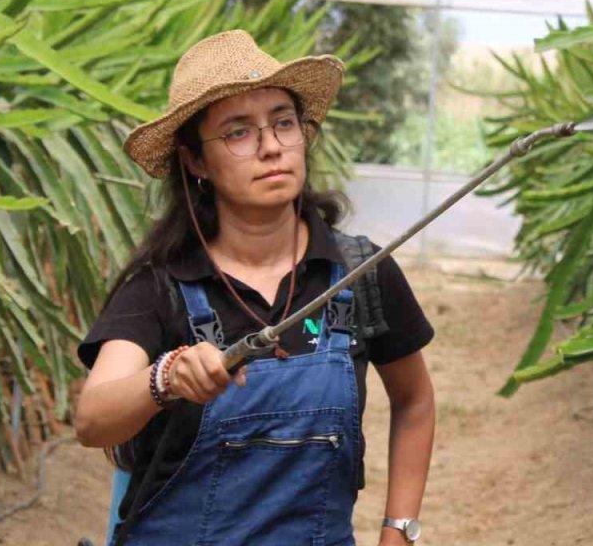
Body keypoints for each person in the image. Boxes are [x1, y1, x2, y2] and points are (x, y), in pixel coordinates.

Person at [73, 30, 436, 546]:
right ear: (196, 161)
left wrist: (399, 531)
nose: (270, 147)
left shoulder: (359, 272)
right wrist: (165, 377)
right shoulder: (160, 289)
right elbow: (93, 421)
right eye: (238, 133)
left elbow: (415, 399)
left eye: (283, 122)